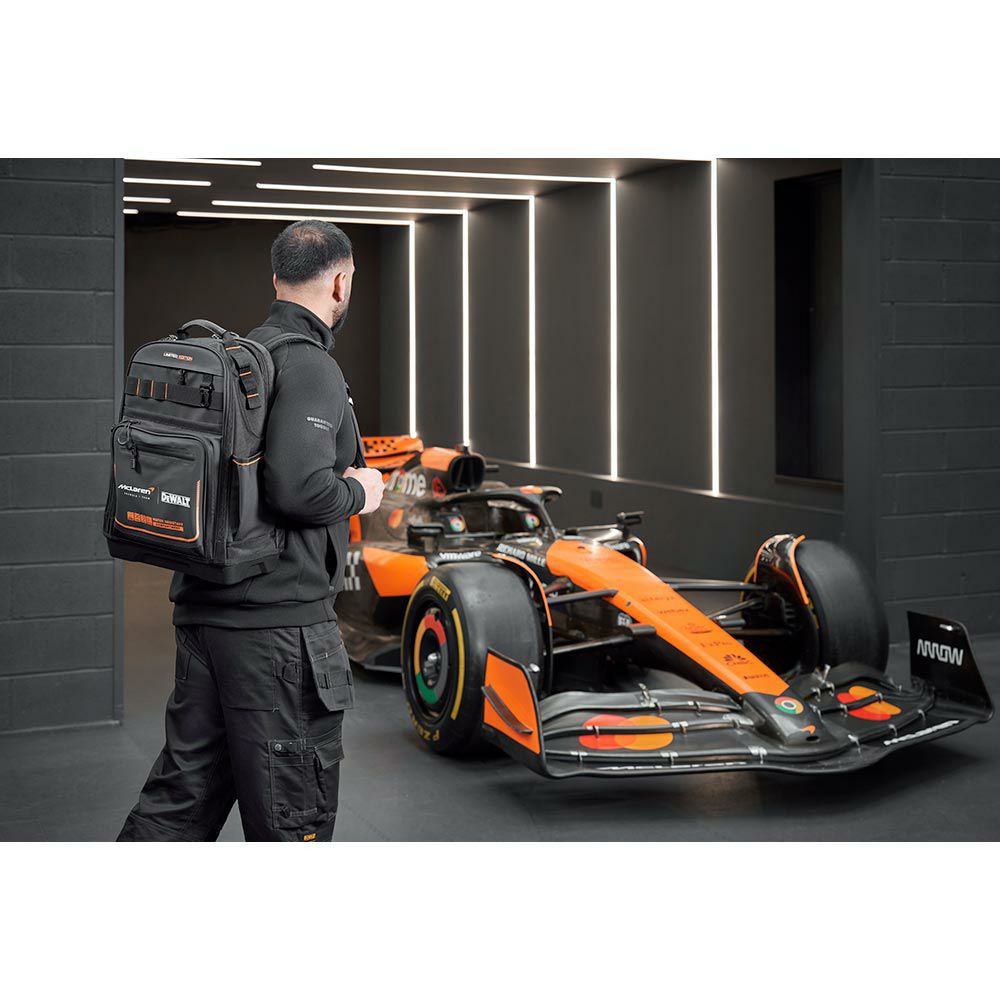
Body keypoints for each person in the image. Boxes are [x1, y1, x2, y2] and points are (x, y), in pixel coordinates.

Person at [118, 221, 385, 842]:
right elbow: (299, 490)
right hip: (279, 636)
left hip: (206, 616)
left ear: (276, 279)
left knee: (178, 803)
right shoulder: (310, 366)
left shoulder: (239, 360)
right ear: (341, 283)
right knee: (293, 819)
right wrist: (361, 492)